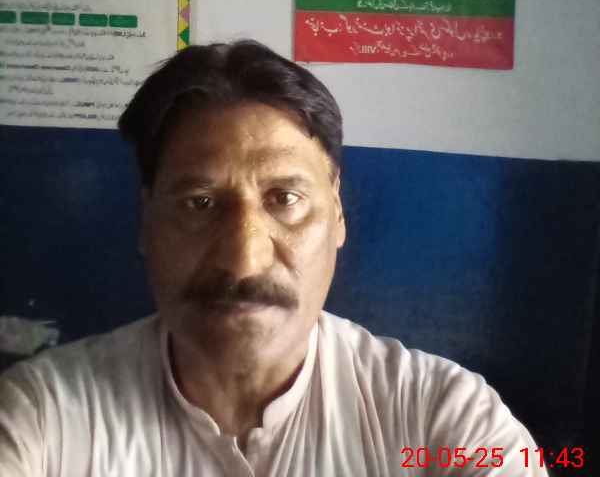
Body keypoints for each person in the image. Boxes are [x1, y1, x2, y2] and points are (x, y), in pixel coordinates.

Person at [0, 40, 548, 476]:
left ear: (337, 213)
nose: (244, 262)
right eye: (199, 203)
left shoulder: (444, 418)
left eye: (284, 199)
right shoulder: (41, 418)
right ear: (147, 221)